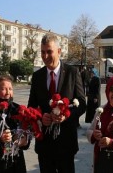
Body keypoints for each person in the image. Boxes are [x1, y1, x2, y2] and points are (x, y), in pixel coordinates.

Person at [27, 34, 86, 173]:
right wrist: (41, 117)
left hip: (66, 143)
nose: (45, 56)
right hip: (45, 145)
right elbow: (31, 107)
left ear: (59, 51)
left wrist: (67, 115)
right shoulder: (37, 76)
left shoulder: (72, 73)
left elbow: (82, 104)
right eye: (42, 52)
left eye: (49, 51)